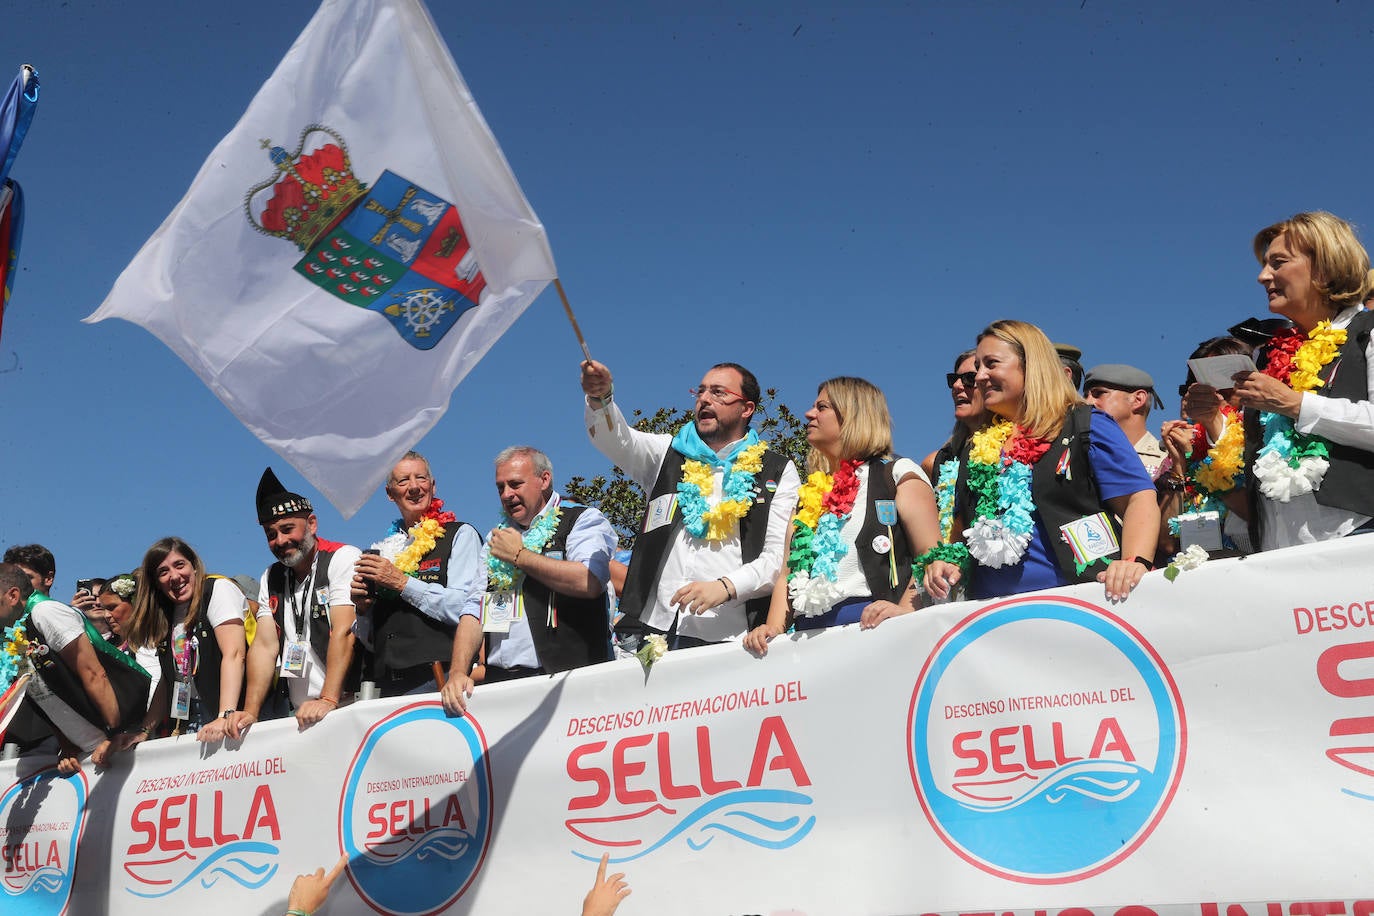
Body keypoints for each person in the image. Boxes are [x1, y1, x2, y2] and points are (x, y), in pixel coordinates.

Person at [923, 320, 1160, 603]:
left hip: (1084, 604)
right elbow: (960, 532)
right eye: (978, 367)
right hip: (992, 619)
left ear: (1030, 365)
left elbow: (1138, 499)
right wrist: (946, 563)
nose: (980, 376)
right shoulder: (975, 446)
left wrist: (1134, 561)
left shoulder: (1085, 425)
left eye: (991, 364)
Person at [580, 359, 800, 650]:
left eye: (719, 393)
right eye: (701, 392)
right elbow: (616, 440)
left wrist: (725, 586)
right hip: (656, 630)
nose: (705, 399)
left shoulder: (777, 470)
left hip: (734, 638)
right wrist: (600, 398)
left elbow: (777, 558)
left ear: (746, 409)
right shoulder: (667, 454)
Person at [743, 378, 939, 654]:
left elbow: (931, 554)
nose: (809, 414)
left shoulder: (896, 473)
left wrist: (905, 610)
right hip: (807, 643)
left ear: (853, 416)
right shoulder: (809, 494)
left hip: (872, 633)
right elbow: (787, 573)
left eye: (821, 407)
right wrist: (773, 629)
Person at [1226, 211, 1374, 550]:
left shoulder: (1367, 332)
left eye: (1278, 263)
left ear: (1323, 267)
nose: (1263, 276)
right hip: (1281, 555)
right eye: (1265, 265)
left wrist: (1294, 403)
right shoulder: (1274, 356)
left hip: (1358, 543)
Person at [441, 447, 616, 714]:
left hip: (569, 682)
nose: (506, 495)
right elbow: (474, 610)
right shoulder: (497, 539)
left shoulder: (581, 520)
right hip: (503, 685)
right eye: (500, 487)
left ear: (544, 480)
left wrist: (520, 556)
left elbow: (589, 581)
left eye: (515, 484)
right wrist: (456, 672)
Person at [352, 451, 483, 696]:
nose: (414, 487)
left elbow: (467, 607)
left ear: (432, 486)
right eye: (403, 481)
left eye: (420, 478)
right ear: (390, 494)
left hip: (438, 680)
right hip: (386, 685)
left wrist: (401, 583)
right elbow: (369, 641)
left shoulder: (459, 534)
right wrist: (362, 610)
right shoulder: (384, 550)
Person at [0, 561, 149, 773]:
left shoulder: (45, 612)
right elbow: (37, 693)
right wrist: (67, 745)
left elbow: (94, 674)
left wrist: (116, 734)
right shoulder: (10, 636)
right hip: (88, 751)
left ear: (13, 596)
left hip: (123, 743)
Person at [123, 537, 276, 741]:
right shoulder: (166, 613)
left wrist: (225, 715)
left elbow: (234, 654)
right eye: (163, 571)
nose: (175, 576)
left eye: (179, 565)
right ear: (156, 582)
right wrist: (144, 731)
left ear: (194, 566)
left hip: (236, 712)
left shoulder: (216, 589)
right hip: (192, 715)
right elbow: (168, 680)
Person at [255, 468, 361, 730]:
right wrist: (249, 712)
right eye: (271, 534)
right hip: (302, 714)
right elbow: (263, 647)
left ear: (311, 524)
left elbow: (344, 631)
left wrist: (328, 699)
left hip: (347, 706)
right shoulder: (271, 577)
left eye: (287, 529)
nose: (280, 540)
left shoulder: (342, 558)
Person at [1158, 335, 1255, 557]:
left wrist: (1201, 462)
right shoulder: (1185, 442)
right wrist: (1180, 465)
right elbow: (1167, 544)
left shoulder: (1262, 431)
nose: (1214, 394)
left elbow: (1259, 515)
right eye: (1199, 387)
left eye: (1223, 384)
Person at [1082, 364, 1169, 480]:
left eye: (1099, 393)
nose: (1088, 402)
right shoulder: (1080, 453)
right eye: (1086, 395)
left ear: (1138, 399)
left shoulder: (1167, 459)